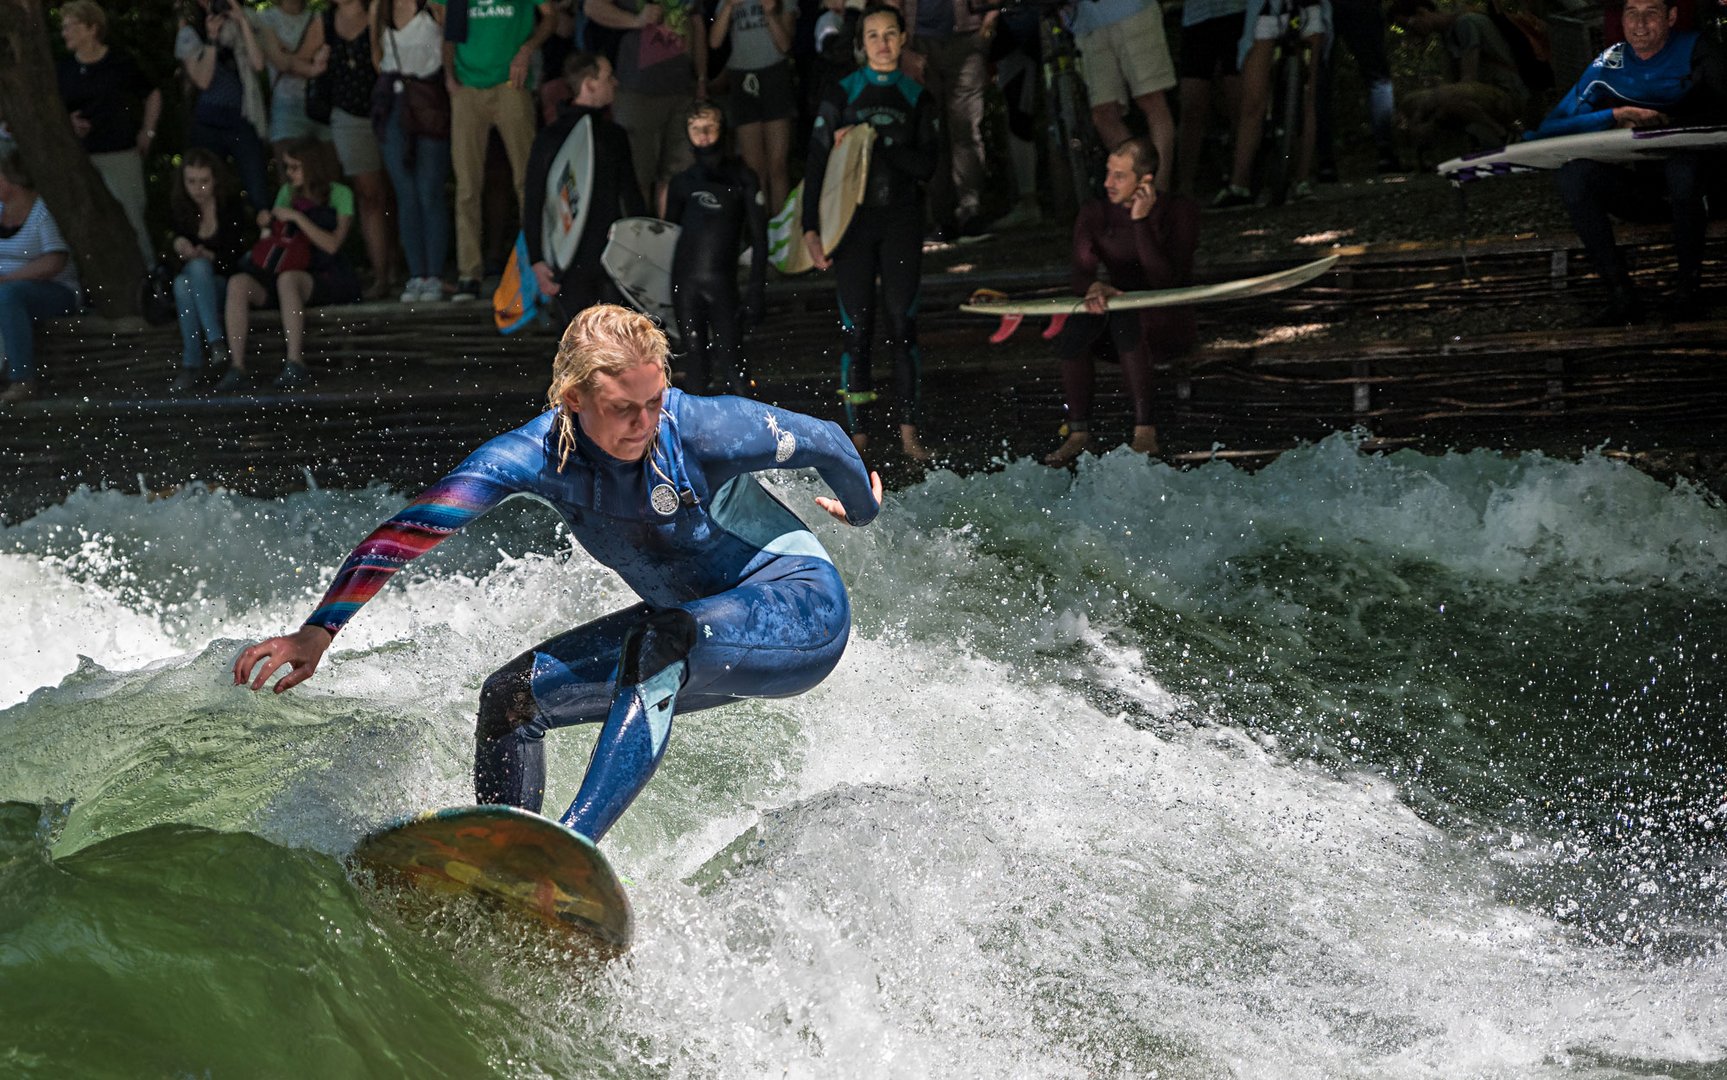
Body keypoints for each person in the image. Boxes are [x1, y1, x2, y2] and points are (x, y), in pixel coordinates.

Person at [231, 303, 883, 849]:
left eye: (654, 401)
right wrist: (318, 633)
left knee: (662, 644)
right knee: (511, 698)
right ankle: (510, 860)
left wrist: (861, 508)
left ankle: (568, 849)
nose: (645, 423)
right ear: (573, 399)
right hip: (694, 631)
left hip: (798, 611)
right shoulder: (531, 457)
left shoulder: (698, 430)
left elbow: (824, 438)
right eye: (624, 408)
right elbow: (409, 531)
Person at [1528, 0, 1726, 324]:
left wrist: (1670, 120)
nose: (1640, 24)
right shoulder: (1611, 61)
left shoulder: (1700, 51)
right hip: (1650, 196)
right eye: (1631, 13)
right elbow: (1549, 128)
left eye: (1651, 13)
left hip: (1706, 193)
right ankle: (1621, 295)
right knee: (1573, 176)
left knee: (1682, 169)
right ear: (1620, 18)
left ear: (1671, 16)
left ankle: (1688, 293)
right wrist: (1613, 116)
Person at [803, 3, 940, 462]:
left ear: (903, 39)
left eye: (890, 34)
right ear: (861, 45)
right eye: (873, 36)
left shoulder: (918, 98)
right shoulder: (841, 91)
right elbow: (817, 161)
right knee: (855, 328)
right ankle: (857, 435)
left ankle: (908, 432)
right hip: (852, 227)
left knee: (903, 326)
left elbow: (926, 165)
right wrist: (810, 227)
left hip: (900, 222)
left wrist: (871, 138)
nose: (882, 44)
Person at [1044, 138, 1198, 466]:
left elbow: (1165, 280)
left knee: (1127, 319)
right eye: (1107, 174)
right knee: (1075, 327)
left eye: (1119, 176)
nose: (1107, 183)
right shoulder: (1095, 212)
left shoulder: (1178, 211)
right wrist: (1096, 285)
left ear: (1145, 181)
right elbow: (1080, 275)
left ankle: (1145, 430)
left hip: (1165, 325)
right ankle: (1078, 433)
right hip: (1113, 321)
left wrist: (1140, 221)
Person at [220, 138, 361, 392]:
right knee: (238, 283)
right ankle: (237, 366)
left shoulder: (340, 194)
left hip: (323, 273)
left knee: (288, 280)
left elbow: (332, 245)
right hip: (282, 267)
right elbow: (276, 236)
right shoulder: (287, 193)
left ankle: (295, 362)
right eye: (287, 168)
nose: (289, 174)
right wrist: (267, 222)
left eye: (295, 167)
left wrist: (297, 216)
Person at [443, 0, 558, 302]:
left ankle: (537, 265)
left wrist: (526, 49)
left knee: (527, 180)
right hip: (467, 86)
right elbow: (448, 29)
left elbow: (550, 16)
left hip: (512, 83)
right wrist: (448, 76)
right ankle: (469, 273)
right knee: (467, 185)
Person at [524, 53, 647, 326]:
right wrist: (537, 259)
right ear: (590, 85)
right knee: (586, 347)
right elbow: (535, 199)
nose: (615, 82)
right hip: (585, 259)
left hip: (597, 259)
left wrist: (538, 259)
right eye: (608, 77)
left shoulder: (608, 135)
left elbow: (631, 197)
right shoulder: (555, 137)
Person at [296, 0, 400, 300]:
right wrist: (314, 67)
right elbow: (293, 61)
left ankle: (404, 269)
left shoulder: (382, 11)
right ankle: (381, 275)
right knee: (369, 196)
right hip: (348, 116)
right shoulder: (324, 22)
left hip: (392, 111)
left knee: (396, 191)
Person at [664, 102, 769, 394]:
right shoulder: (682, 183)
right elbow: (665, 237)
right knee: (696, 365)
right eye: (696, 128)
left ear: (723, 130)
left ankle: (754, 436)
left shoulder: (742, 177)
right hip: (685, 285)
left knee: (733, 362)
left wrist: (757, 289)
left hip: (722, 282)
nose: (704, 135)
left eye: (710, 126)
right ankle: (693, 439)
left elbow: (760, 238)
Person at [56, 0, 161, 267]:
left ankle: (150, 279)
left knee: (132, 216)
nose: (64, 32)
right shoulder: (64, 70)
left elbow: (152, 93)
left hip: (120, 153)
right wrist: (68, 122)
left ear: (92, 28)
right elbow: (55, 112)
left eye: (70, 26)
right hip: (81, 157)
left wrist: (147, 132)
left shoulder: (120, 63)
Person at [584, 0, 708, 215]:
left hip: (681, 89)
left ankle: (668, 237)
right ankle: (639, 241)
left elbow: (697, 26)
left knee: (678, 175)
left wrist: (701, 79)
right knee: (636, 174)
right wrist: (635, 20)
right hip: (637, 91)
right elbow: (592, 6)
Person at [1211, 0, 1329, 208]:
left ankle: (1302, 181)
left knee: (1307, 97)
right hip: (1266, 11)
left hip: (1309, 9)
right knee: (1253, 101)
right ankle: (1239, 183)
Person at [374, 0, 452, 302]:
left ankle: (434, 274)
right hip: (393, 103)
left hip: (429, 100)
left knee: (429, 190)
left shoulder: (433, 6)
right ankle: (416, 275)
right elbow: (376, 53)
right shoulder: (380, 8)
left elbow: (451, 45)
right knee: (405, 192)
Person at [1063, 0, 1177, 196]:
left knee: (1151, 100)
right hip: (1086, 23)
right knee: (1103, 115)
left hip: (1133, 10)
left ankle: (1158, 194)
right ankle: (1140, 193)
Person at [901, 0, 995, 238]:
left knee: (966, 129)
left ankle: (970, 210)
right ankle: (942, 218)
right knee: (932, 133)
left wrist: (985, 31)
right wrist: (904, 51)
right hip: (920, 43)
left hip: (967, 38)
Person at [1389, 0, 1528, 159]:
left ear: (1422, 12)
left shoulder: (1466, 23)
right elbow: (1455, 85)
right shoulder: (1448, 35)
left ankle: (1505, 136)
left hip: (1508, 94)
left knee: (1444, 99)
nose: (1410, 31)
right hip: (1484, 94)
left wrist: (1425, 107)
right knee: (1414, 101)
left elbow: (1468, 80)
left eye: (1409, 25)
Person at [0, 149, 82, 405]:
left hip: (54, 290)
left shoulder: (43, 212)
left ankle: (23, 380)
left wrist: (7, 279)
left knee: (9, 296)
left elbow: (54, 261)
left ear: (12, 182)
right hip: (7, 288)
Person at [176, 0, 273, 213]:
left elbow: (258, 64)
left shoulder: (246, 19)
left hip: (242, 119)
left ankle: (268, 239)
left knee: (258, 191)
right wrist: (211, 38)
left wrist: (241, 21)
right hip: (207, 123)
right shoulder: (190, 31)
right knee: (205, 191)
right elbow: (203, 80)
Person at [168, 149, 251, 393]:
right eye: (191, 181)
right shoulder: (181, 208)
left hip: (222, 285)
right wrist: (178, 246)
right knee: (183, 283)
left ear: (215, 180)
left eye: (204, 181)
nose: (198, 189)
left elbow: (238, 256)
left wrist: (211, 257)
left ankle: (198, 358)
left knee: (199, 268)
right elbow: (170, 260)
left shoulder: (230, 207)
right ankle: (209, 348)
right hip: (194, 288)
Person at [709, 0, 798, 210]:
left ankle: (780, 228)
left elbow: (785, 45)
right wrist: (729, 6)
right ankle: (760, 228)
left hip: (774, 74)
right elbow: (714, 41)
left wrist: (770, 14)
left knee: (777, 165)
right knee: (754, 168)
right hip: (741, 77)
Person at [1173, 0, 1245, 197]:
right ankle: (1185, 188)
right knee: (1191, 105)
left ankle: (1240, 179)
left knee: (1237, 100)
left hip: (1237, 12)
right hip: (1197, 18)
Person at [252, 0, 331, 165]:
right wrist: (311, 68)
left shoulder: (319, 16)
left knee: (327, 173)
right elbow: (279, 60)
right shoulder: (266, 18)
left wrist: (292, 60)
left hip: (320, 105)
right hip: (286, 109)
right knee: (292, 176)